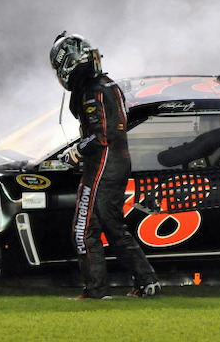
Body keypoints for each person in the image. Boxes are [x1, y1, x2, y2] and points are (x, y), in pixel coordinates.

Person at [49, 32, 160, 300]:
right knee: (113, 226)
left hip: (103, 166)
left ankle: (96, 290)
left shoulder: (94, 91)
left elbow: (102, 135)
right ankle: (147, 282)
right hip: (115, 163)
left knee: (84, 229)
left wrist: (76, 151)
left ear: (70, 63)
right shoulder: (106, 85)